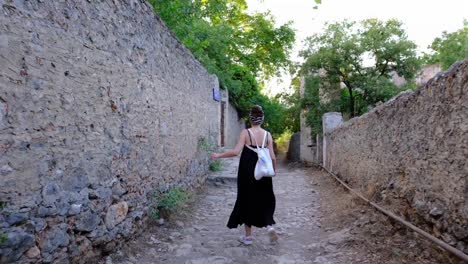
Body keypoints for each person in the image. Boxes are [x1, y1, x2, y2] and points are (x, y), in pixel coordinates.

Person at [211, 105, 278, 245]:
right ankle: (269, 226)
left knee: (247, 199)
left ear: (250, 118)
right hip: (264, 171)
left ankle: (248, 237)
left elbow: (236, 152)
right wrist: (274, 171)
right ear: (262, 119)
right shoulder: (268, 135)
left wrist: (218, 155)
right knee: (265, 197)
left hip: (247, 171)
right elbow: (272, 157)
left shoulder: (245, 133)